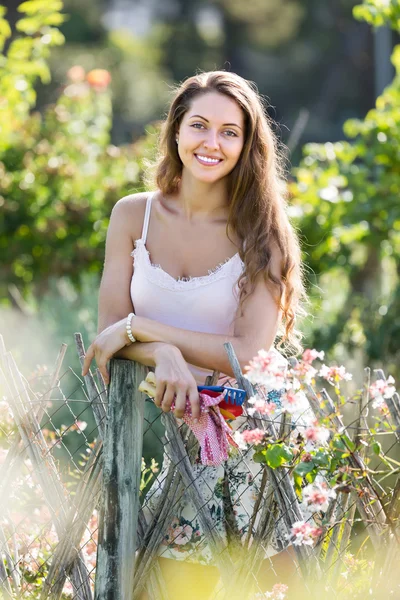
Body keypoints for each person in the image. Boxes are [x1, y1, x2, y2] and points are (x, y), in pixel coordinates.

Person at [82, 70, 308, 599]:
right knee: (167, 582)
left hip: (254, 429)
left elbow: (248, 357)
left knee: (269, 586)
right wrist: (161, 353)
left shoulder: (263, 232)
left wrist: (145, 328)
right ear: (176, 131)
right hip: (184, 430)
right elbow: (107, 334)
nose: (212, 143)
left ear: (248, 145)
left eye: (230, 132)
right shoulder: (132, 215)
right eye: (199, 125)